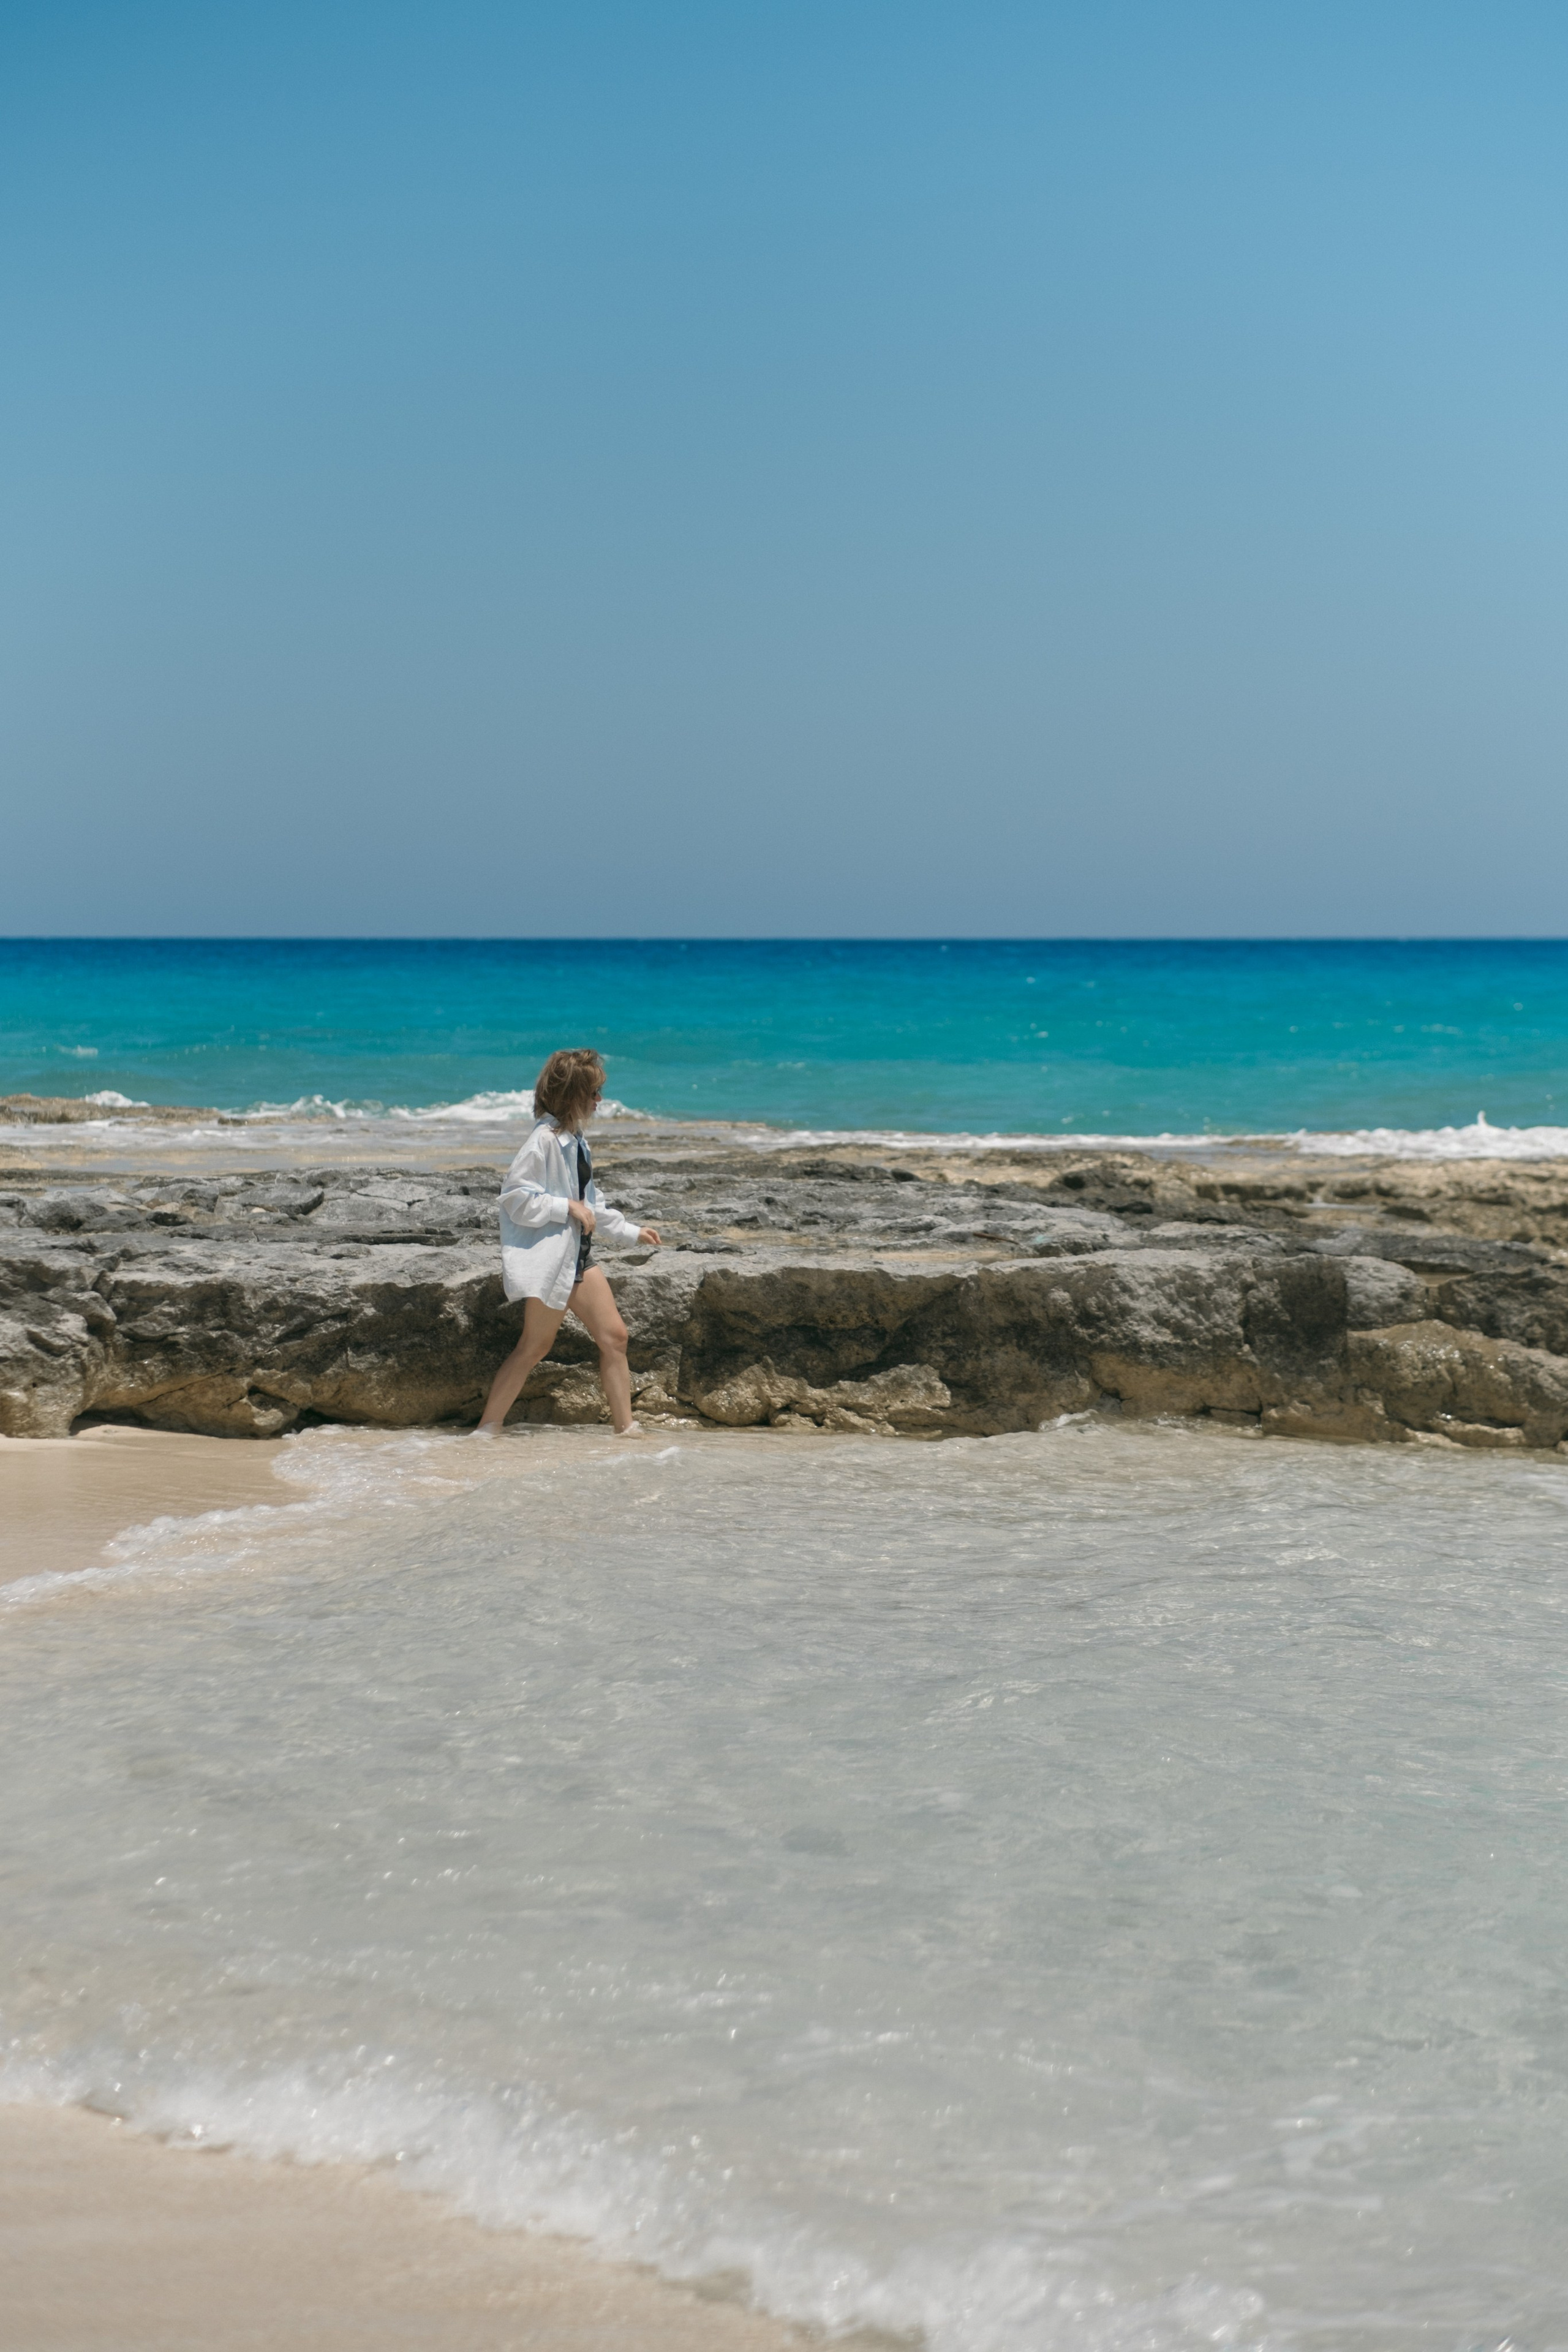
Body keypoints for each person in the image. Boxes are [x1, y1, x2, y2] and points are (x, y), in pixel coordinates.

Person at [476, 1048, 660, 1437]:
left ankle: (627, 1429)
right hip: (554, 1260)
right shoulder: (543, 1140)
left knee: (615, 1338)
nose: (600, 1101)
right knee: (534, 1347)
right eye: (593, 1093)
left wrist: (631, 1231)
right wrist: (565, 1208)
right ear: (573, 1093)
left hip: (580, 1257)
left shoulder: (575, 1140)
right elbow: (515, 1199)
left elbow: (591, 1204)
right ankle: (487, 1428)